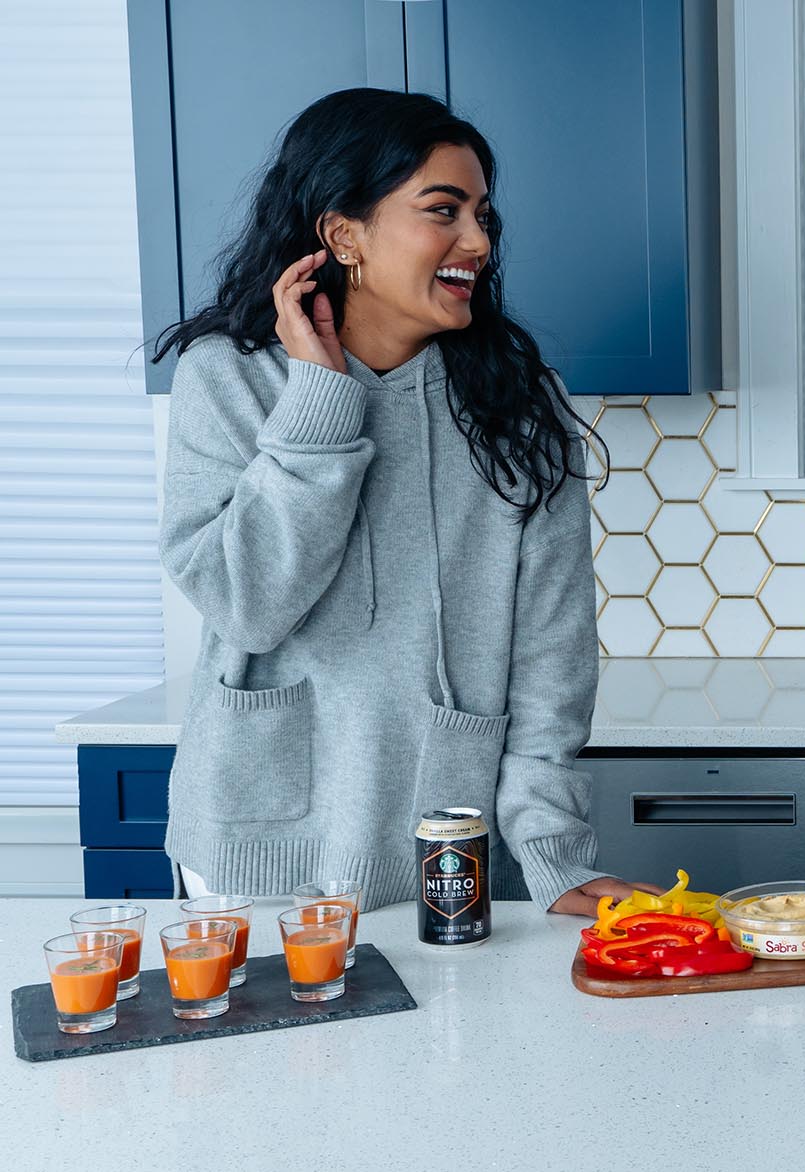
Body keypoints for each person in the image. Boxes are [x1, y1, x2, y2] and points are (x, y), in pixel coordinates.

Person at [153, 89, 657, 914]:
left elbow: (550, 662)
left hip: (444, 842)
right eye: (443, 210)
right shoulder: (231, 380)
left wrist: (558, 855)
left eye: (483, 215)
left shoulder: (521, 408)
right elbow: (249, 605)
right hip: (254, 845)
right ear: (342, 232)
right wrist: (319, 399)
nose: (479, 241)